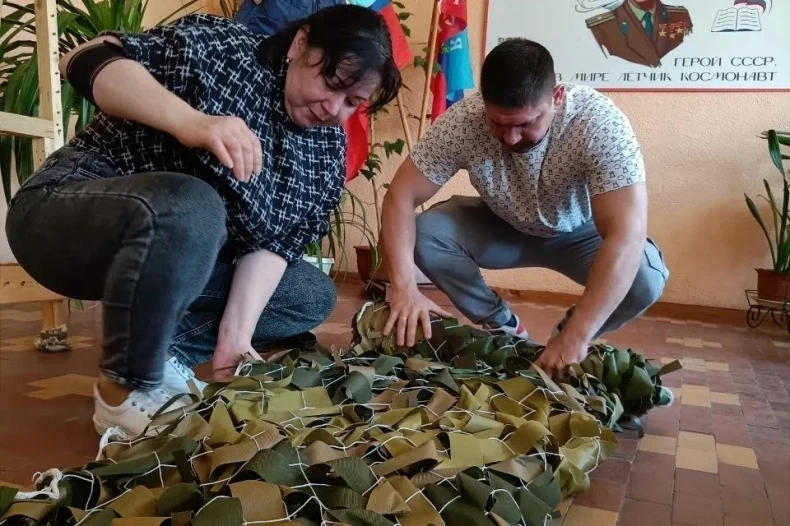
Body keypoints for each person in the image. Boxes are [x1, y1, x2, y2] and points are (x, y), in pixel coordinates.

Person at [5, 5, 400, 437]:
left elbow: (275, 245)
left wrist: (235, 337)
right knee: (192, 203)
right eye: (332, 84)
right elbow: (84, 59)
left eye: (352, 102)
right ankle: (124, 392)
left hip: (173, 255)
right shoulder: (226, 49)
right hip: (64, 216)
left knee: (308, 293)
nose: (334, 109)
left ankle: (158, 357)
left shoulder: (326, 151)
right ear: (300, 44)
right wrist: (190, 122)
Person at [379, 38, 669, 378]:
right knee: (427, 234)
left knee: (645, 277)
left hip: (578, 234)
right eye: (498, 124)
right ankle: (504, 327)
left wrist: (577, 335)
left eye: (526, 124)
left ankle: (565, 340)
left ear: (556, 97)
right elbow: (400, 195)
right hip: (503, 227)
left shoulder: (598, 123)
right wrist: (404, 289)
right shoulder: (462, 122)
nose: (511, 138)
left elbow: (626, 234)